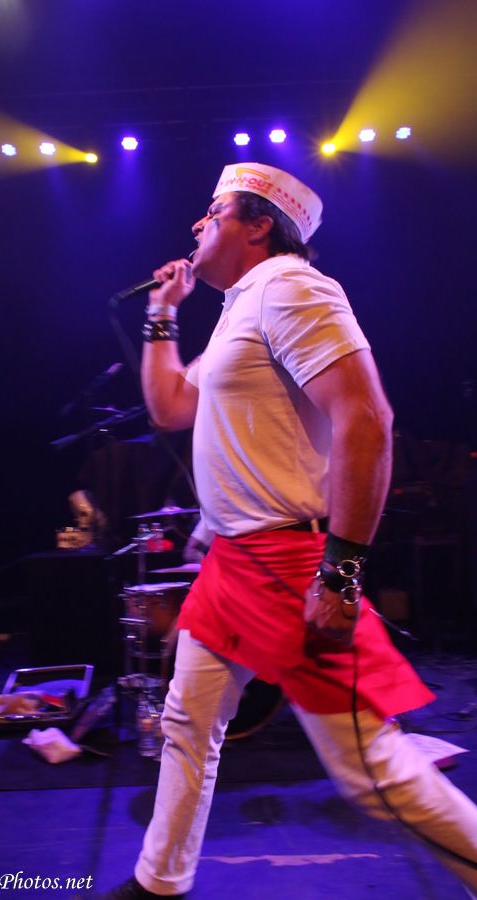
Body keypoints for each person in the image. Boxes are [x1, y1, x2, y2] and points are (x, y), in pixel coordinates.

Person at [101, 163, 477, 899]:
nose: (197, 224)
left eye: (213, 212)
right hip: (231, 563)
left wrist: (341, 574)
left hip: (286, 563)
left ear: (258, 225)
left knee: (372, 775)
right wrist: (163, 314)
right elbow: (170, 407)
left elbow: (367, 419)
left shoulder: (292, 288)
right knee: (186, 722)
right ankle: (158, 881)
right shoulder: (241, 307)